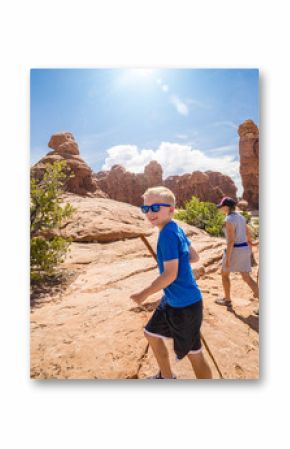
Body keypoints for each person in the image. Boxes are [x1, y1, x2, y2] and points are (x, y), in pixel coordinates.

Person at [130, 186, 212, 379]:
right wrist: (178, 262)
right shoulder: (175, 227)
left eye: (155, 208)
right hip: (172, 299)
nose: (150, 213)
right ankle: (166, 377)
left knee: (195, 355)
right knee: (151, 333)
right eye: (145, 209)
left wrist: (144, 294)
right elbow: (194, 256)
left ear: (171, 209)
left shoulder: (167, 234)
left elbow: (169, 276)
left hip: (184, 306)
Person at [215, 197, 259, 308]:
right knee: (247, 278)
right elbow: (247, 230)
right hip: (244, 249)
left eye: (221, 207)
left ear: (226, 207)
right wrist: (251, 242)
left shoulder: (229, 219)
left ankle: (227, 300)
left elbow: (231, 241)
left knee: (224, 274)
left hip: (235, 250)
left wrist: (228, 259)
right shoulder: (240, 217)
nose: (220, 209)